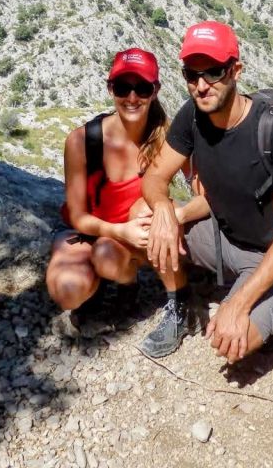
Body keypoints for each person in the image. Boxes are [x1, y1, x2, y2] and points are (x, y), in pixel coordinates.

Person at [142, 21, 273, 361]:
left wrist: (238, 303)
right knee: (141, 223)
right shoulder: (192, 116)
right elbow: (154, 178)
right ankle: (179, 305)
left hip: (269, 256)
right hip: (220, 236)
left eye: (214, 72)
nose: (202, 86)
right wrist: (163, 210)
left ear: (235, 70)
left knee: (231, 341)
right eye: (192, 75)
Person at [46, 47, 207, 343]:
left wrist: (175, 215)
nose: (132, 98)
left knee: (135, 221)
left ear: (155, 90)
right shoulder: (82, 141)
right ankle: (105, 282)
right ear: (111, 89)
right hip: (93, 228)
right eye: (123, 88)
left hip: (137, 235)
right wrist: (119, 231)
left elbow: (206, 195)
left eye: (142, 88)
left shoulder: (169, 140)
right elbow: (79, 215)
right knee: (68, 290)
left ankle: (135, 289)